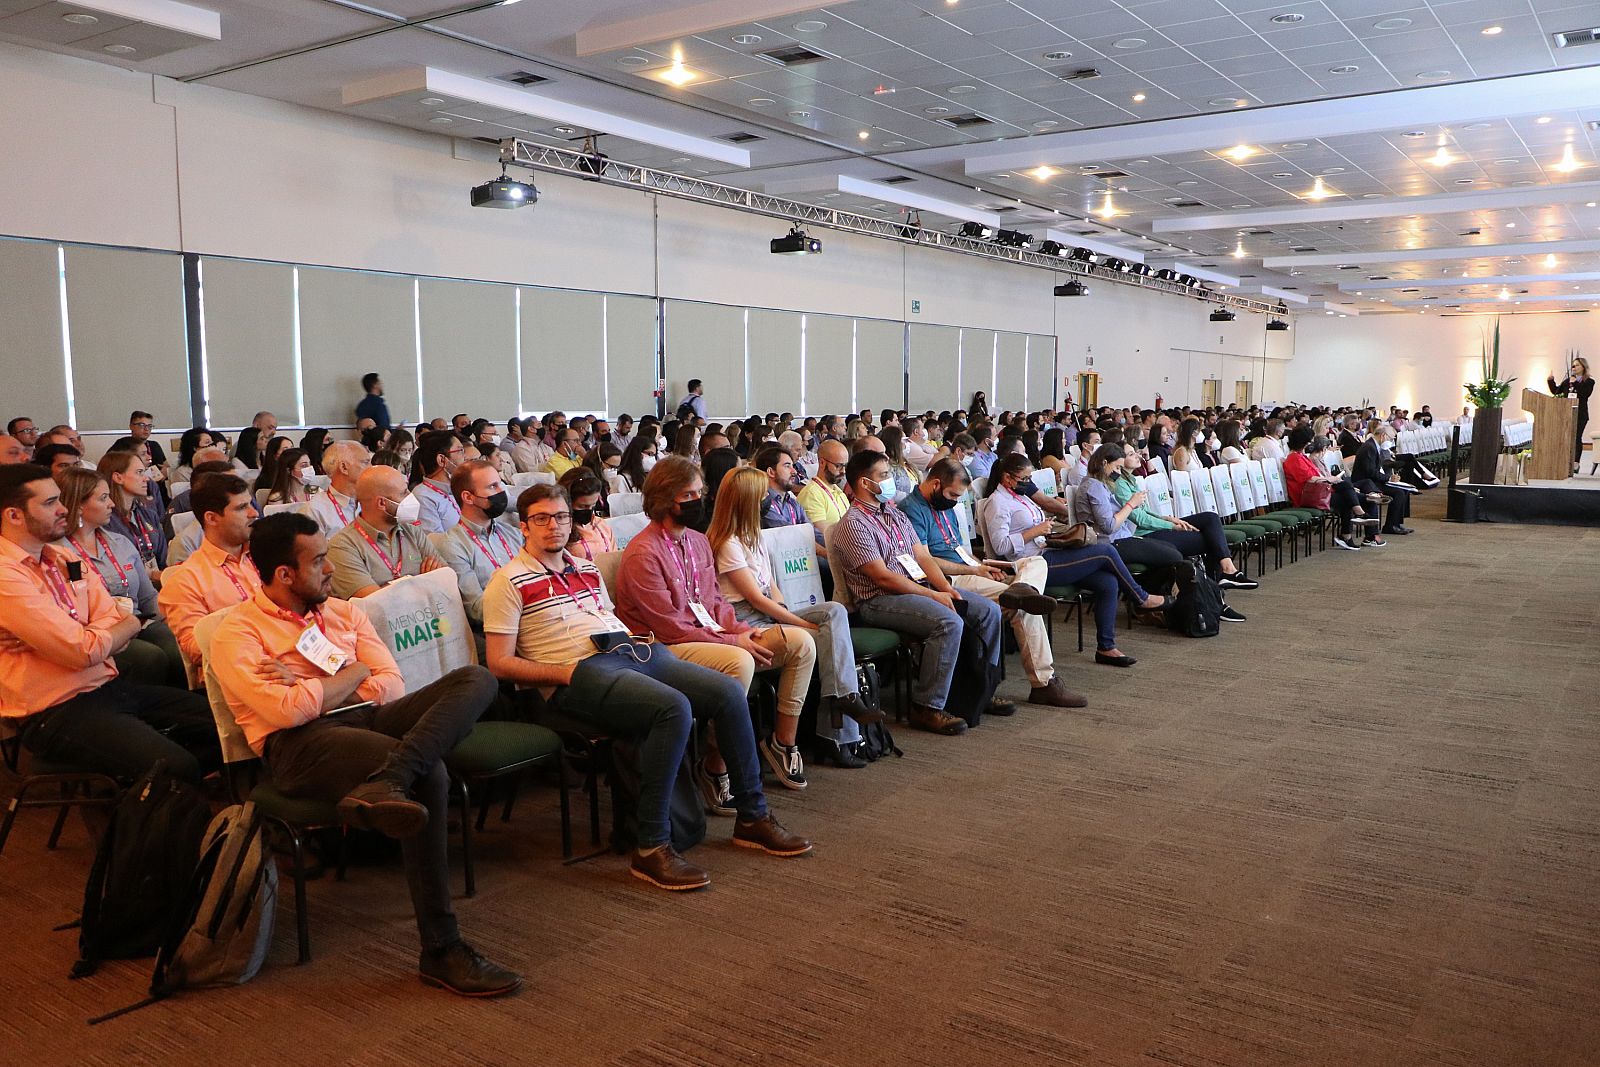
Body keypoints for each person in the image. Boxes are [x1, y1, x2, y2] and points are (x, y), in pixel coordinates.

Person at [209, 513, 517, 996]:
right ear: (284, 574)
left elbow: (391, 684)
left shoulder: (343, 612)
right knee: (430, 773)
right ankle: (440, 948)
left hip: (366, 720)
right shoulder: (238, 633)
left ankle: (391, 776)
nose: (331, 568)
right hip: (300, 746)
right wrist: (352, 673)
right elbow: (288, 712)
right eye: (319, 561)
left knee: (477, 680)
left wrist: (314, 685)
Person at [483, 483, 809, 889]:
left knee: (726, 693)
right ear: (524, 527)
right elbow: (499, 663)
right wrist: (564, 673)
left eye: (562, 517)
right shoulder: (507, 582)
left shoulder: (586, 569)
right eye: (542, 519)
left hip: (631, 652)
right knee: (673, 708)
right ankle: (651, 846)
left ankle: (752, 817)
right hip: (576, 674)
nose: (554, 526)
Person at [0, 465, 220, 783]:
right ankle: (149, 795)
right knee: (175, 767)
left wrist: (115, 625)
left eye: (59, 499)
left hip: (108, 687)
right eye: (50, 503)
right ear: (14, 515)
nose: (64, 509)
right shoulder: (6, 575)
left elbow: (117, 617)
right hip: (55, 711)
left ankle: (145, 792)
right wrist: (112, 628)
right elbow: (83, 651)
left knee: (231, 722)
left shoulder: (63, 558)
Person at [613, 457, 821, 793]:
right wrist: (734, 642)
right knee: (738, 661)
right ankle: (715, 764)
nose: (698, 501)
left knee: (800, 643)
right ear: (663, 500)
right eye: (687, 495)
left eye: (700, 492)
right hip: (662, 648)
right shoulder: (644, 553)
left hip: (710, 635)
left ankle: (783, 743)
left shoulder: (697, 541)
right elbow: (670, 628)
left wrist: (740, 630)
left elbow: (715, 603)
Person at [707, 467, 883, 768]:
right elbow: (755, 598)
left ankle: (844, 697)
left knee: (835, 611)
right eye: (762, 496)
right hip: (746, 620)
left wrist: (787, 612)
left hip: (770, 611)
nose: (768, 500)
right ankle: (835, 732)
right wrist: (799, 623)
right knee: (824, 637)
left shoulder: (752, 535)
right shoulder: (727, 543)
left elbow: (770, 586)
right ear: (747, 500)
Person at [833, 449, 1009, 735]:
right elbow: (883, 578)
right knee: (948, 622)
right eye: (884, 475)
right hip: (879, 600)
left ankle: (981, 690)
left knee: (988, 611)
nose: (890, 481)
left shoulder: (893, 513)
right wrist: (933, 596)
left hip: (916, 587)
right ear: (865, 483)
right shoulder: (853, 524)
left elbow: (923, 557)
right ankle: (927, 706)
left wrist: (945, 589)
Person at [899, 459, 1086, 710]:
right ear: (935, 484)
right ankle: (1043, 682)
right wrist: (974, 570)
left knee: (1035, 563)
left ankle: (1023, 589)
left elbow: (960, 551)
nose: (955, 501)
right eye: (953, 495)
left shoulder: (943, 503)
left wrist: (984, 567)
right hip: (949, 578)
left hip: (970, 569)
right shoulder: (911, 510)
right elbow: (926, 560)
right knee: (1023, 607)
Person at [986, 454, 1163, 667]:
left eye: (1029, 478)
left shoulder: (1020, 496)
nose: (1028, 483)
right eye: (1024, 479)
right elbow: (1001, 546)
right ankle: (1141, 598)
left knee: (1107, 582)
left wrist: (1046, 529)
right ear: (1007, 478)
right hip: (1031, 565)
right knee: (1105, 551)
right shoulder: (997, 502)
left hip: (1045, 551)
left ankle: (1106, 648)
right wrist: (1035, 531)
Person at [53, 467, 185, 688]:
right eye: (104, 498)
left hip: (139, 621)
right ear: (79, 505)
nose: (112, 504)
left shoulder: (120, 543)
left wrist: (179, 621)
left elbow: (147, 597)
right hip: (99, 633)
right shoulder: (57, 553)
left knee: (182, 644)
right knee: (151, 657)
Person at [157, 473, 261, 675]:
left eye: (251, 504)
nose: (254, 513)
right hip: (243, 672)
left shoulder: (267, 554)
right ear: (212, 518)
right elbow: (196, 648)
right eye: (241, 507)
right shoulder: (186, 580)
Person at [327, 465, 445, 599]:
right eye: (403, 493)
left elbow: (445, 579)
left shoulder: (412, 532)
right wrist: (425, 581)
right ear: (382, 503)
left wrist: (389, 588)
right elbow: (376, 602)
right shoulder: (343, 546)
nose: (410, 496)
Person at [432, 459, 522, 628]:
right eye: (493, 487)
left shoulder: (513, 533)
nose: (501, 492)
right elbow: (476, 609)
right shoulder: (453, 545)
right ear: (468, 497)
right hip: (501, 628)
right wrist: (528, 602)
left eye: (500, 485)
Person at [1284, 427, 1366, 551]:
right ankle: (1356, 518)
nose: (1311, 444)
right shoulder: (1294, 459)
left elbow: (1315, 476)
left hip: (1316, 491)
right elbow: (1310, 479)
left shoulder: (1300, 456)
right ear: (1304, 442)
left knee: (1346, 487)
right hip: (1307, 496)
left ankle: (1355, 521)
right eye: (1310, 441)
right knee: (1347, 495)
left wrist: (1330, 479)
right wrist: (1330, 479)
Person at [99, 448, 168, 574]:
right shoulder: (105, 521)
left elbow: (164, 559)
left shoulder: (149, 514)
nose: (146, 479)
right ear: (118, 477)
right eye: (139, 472)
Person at [1351, 423, 1412, 536]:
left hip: (1372, 481)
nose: (1391, 442)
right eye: (1391, 439)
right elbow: (1370, 472)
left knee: (1404, 491)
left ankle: (1396, 524)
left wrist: (1389, 478)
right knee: (1398, 493)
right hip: (1365, 483)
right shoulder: (1369, 447)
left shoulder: (1374, 446)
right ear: (1383, 435)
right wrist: (1388, 478)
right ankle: (1390, 526)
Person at [407, 431, 464, 534]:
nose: (465, 457)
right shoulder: (423, 497)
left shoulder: (457, 487)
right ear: (442, 460)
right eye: (460, 450)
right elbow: (435, 541)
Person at [308, 440, 369, 536]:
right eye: (365, 462)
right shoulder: (315, 511)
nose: (371, 468)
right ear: (343, 467)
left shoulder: (371, 502)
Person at [798, 439, 850, 546]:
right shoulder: (812, 494)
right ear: (822, 462)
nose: (843, 471)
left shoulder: (837, 490)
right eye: (838, 466)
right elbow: (822, 536)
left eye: (845, 466)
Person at [559, 470, 616, 559]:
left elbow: (614, 556)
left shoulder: (601, 524)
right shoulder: (560, 530)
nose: (589, 511)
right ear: (568, 503)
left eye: (593, 505)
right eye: (582, 506)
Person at [1549, 356, 1593, 471]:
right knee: (1566, 437)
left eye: (1577, 365)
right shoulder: (1568, 381)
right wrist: (1550, 381)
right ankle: (1565, 461)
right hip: (1566, 413)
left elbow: (1585, 394)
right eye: (1573, 365)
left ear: (1583, 367)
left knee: (1576, 437)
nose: (1574, 367)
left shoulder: (1589, 381)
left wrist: (1575, 383)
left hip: (1580, 414)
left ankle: (1575, 463)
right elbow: (1556, 391)